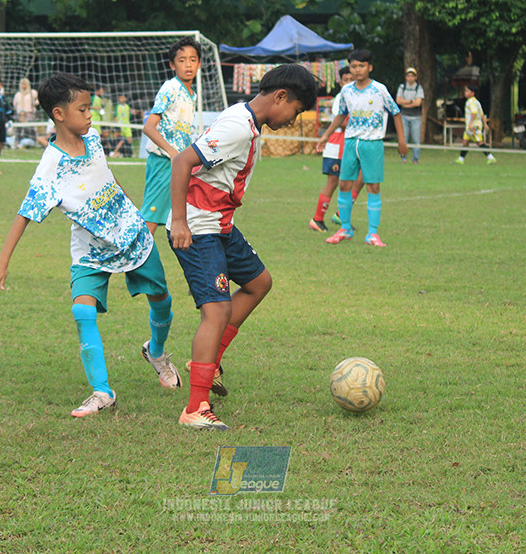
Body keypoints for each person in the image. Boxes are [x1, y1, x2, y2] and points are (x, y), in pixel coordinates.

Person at [0, 73, 181, 419]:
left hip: (131, 234)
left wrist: (129, 203)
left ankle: (158, 352)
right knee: (82, 311)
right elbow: (24, 214)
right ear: (59, 114)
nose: (91, 115)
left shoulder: (93, 139)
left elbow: (105, 174)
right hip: (91, 249)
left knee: (161, 300)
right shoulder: (50, 168)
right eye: (83, 108)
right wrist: (2, 263)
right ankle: (102, 391)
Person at [168, 64, 318, 430]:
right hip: (199, 228)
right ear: (280, 97)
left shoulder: (247, 122)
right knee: (216, 312)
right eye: (295, 111)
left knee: (259, 283)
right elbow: (182, 160)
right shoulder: (238, 126)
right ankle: (195, 407)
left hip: (221, 225)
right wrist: (180, 221)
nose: (292, 120)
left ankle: (209, 360)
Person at [316, 49, 407, 247]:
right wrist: (325, 135)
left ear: (370, 67)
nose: (357, 70)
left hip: (372, 144)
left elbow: (396, 113)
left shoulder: (379, 90)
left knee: (373, 187)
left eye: (361, 66)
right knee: (344, 185)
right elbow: (340, 115)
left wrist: (402, 141)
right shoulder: (346, 91)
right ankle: (345, 228)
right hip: (350, 143)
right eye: (354, 66)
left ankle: (372, 234)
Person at [141, 36, 200, 235]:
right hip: (164, 162)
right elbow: (149, 127)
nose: (188, 65)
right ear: (172, 65)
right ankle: (133, 263)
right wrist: (173, 153)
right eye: (182, 60)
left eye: (192, 59)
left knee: (183, 218)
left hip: (179, 164)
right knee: (150, 219)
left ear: (199, 63)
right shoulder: (170, 88)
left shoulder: (192, 95)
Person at [309, 66, 363, 232]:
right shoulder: (341, 97)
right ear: (340, 82)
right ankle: (317, 219)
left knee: (361, 178)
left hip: (351, 142)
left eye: (351, 79)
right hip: (337, 142)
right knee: (333, 181)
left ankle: (341, 215)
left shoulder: (358, 96)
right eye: (345, 80)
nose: (349, 83)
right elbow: (340, 120)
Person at [454, 84, 496, 164]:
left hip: (474, 126)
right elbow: (482, 114)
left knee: (479, 142)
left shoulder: (471, 102)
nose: (465, 93)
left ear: (472, 93)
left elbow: (474, 112)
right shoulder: (476, 102)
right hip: (472, 125)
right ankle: (461, 159)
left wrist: (470, 124)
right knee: (465, 142)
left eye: (467, 91)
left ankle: (491, 157)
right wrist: (485, 124)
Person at [395, 66, 424, 163]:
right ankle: (403, 158)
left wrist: (406, 102)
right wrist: (412, 101)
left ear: (415, 77)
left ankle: (415, 158)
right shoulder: (402, 87)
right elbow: (398, 101)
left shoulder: (418, 88)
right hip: (404, 116)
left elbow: (418, 103)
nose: (410, 78)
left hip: (416, 117)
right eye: (408, 76)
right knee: (404, 138)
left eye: (412, 76)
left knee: (416, 139)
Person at [12, 77, 40, 148]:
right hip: (20, 114)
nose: (23, 86)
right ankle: (17, 142)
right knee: (19, 129)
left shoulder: (32, 93)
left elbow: (39, 99)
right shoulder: (18, 94)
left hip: (30, 114)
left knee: (32, 128)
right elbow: (14, 104)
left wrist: (34, 104)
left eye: (25, 84)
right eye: (22, 84)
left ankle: (34, 142)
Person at [111, 93, 134, 158]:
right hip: (120, 126)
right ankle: (117, 152)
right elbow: (115, 116)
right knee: (120, 140)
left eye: (122, 98)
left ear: (126, 99)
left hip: (127, 126)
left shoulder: (127, 107)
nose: (121, 99)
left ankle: (130, 154)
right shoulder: (117, 107)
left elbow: (129, 116)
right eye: (120, 98)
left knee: (129, 140)